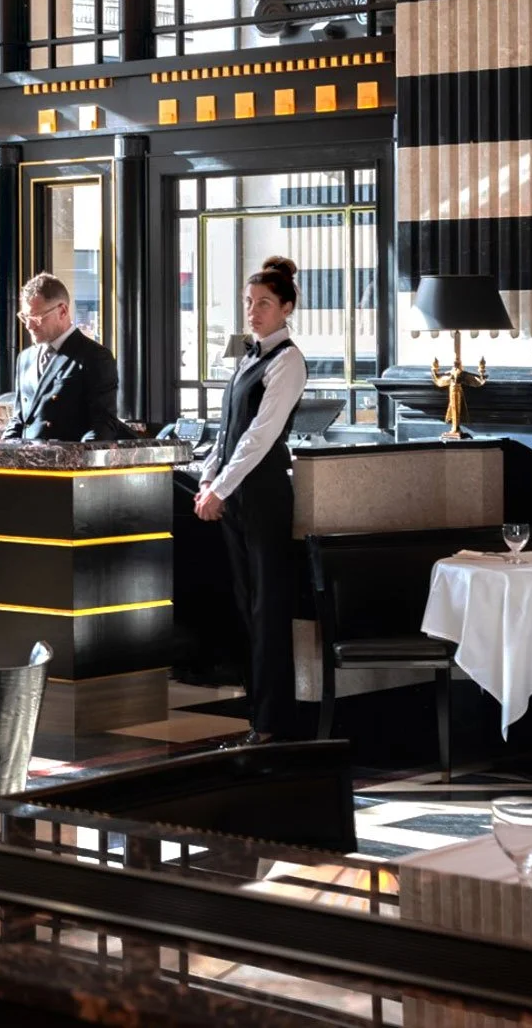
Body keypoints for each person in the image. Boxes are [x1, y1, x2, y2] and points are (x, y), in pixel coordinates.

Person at [193, 255, 307, 743]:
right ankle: (254, 715)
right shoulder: (247, 356)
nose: (253, 311)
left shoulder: (288, 361)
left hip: (263, 496)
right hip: (235, 493)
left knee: (268, 609)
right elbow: (226, 431)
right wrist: (207, 478)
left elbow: (260, 436)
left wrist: (222, 487)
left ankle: (272, 722)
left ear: (286, 308)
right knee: (244, 606)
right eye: (248, 302)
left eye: (264, 303)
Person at [3, 272, 120, 442]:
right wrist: (4, 451)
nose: (29, 325)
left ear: (62, 311)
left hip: (65, 463)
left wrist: (76, 460)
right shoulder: (25, 358)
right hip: (26, 464)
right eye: (25, 317)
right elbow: (19, 419)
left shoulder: (94, 356)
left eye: (36, 317)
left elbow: (103, 425)